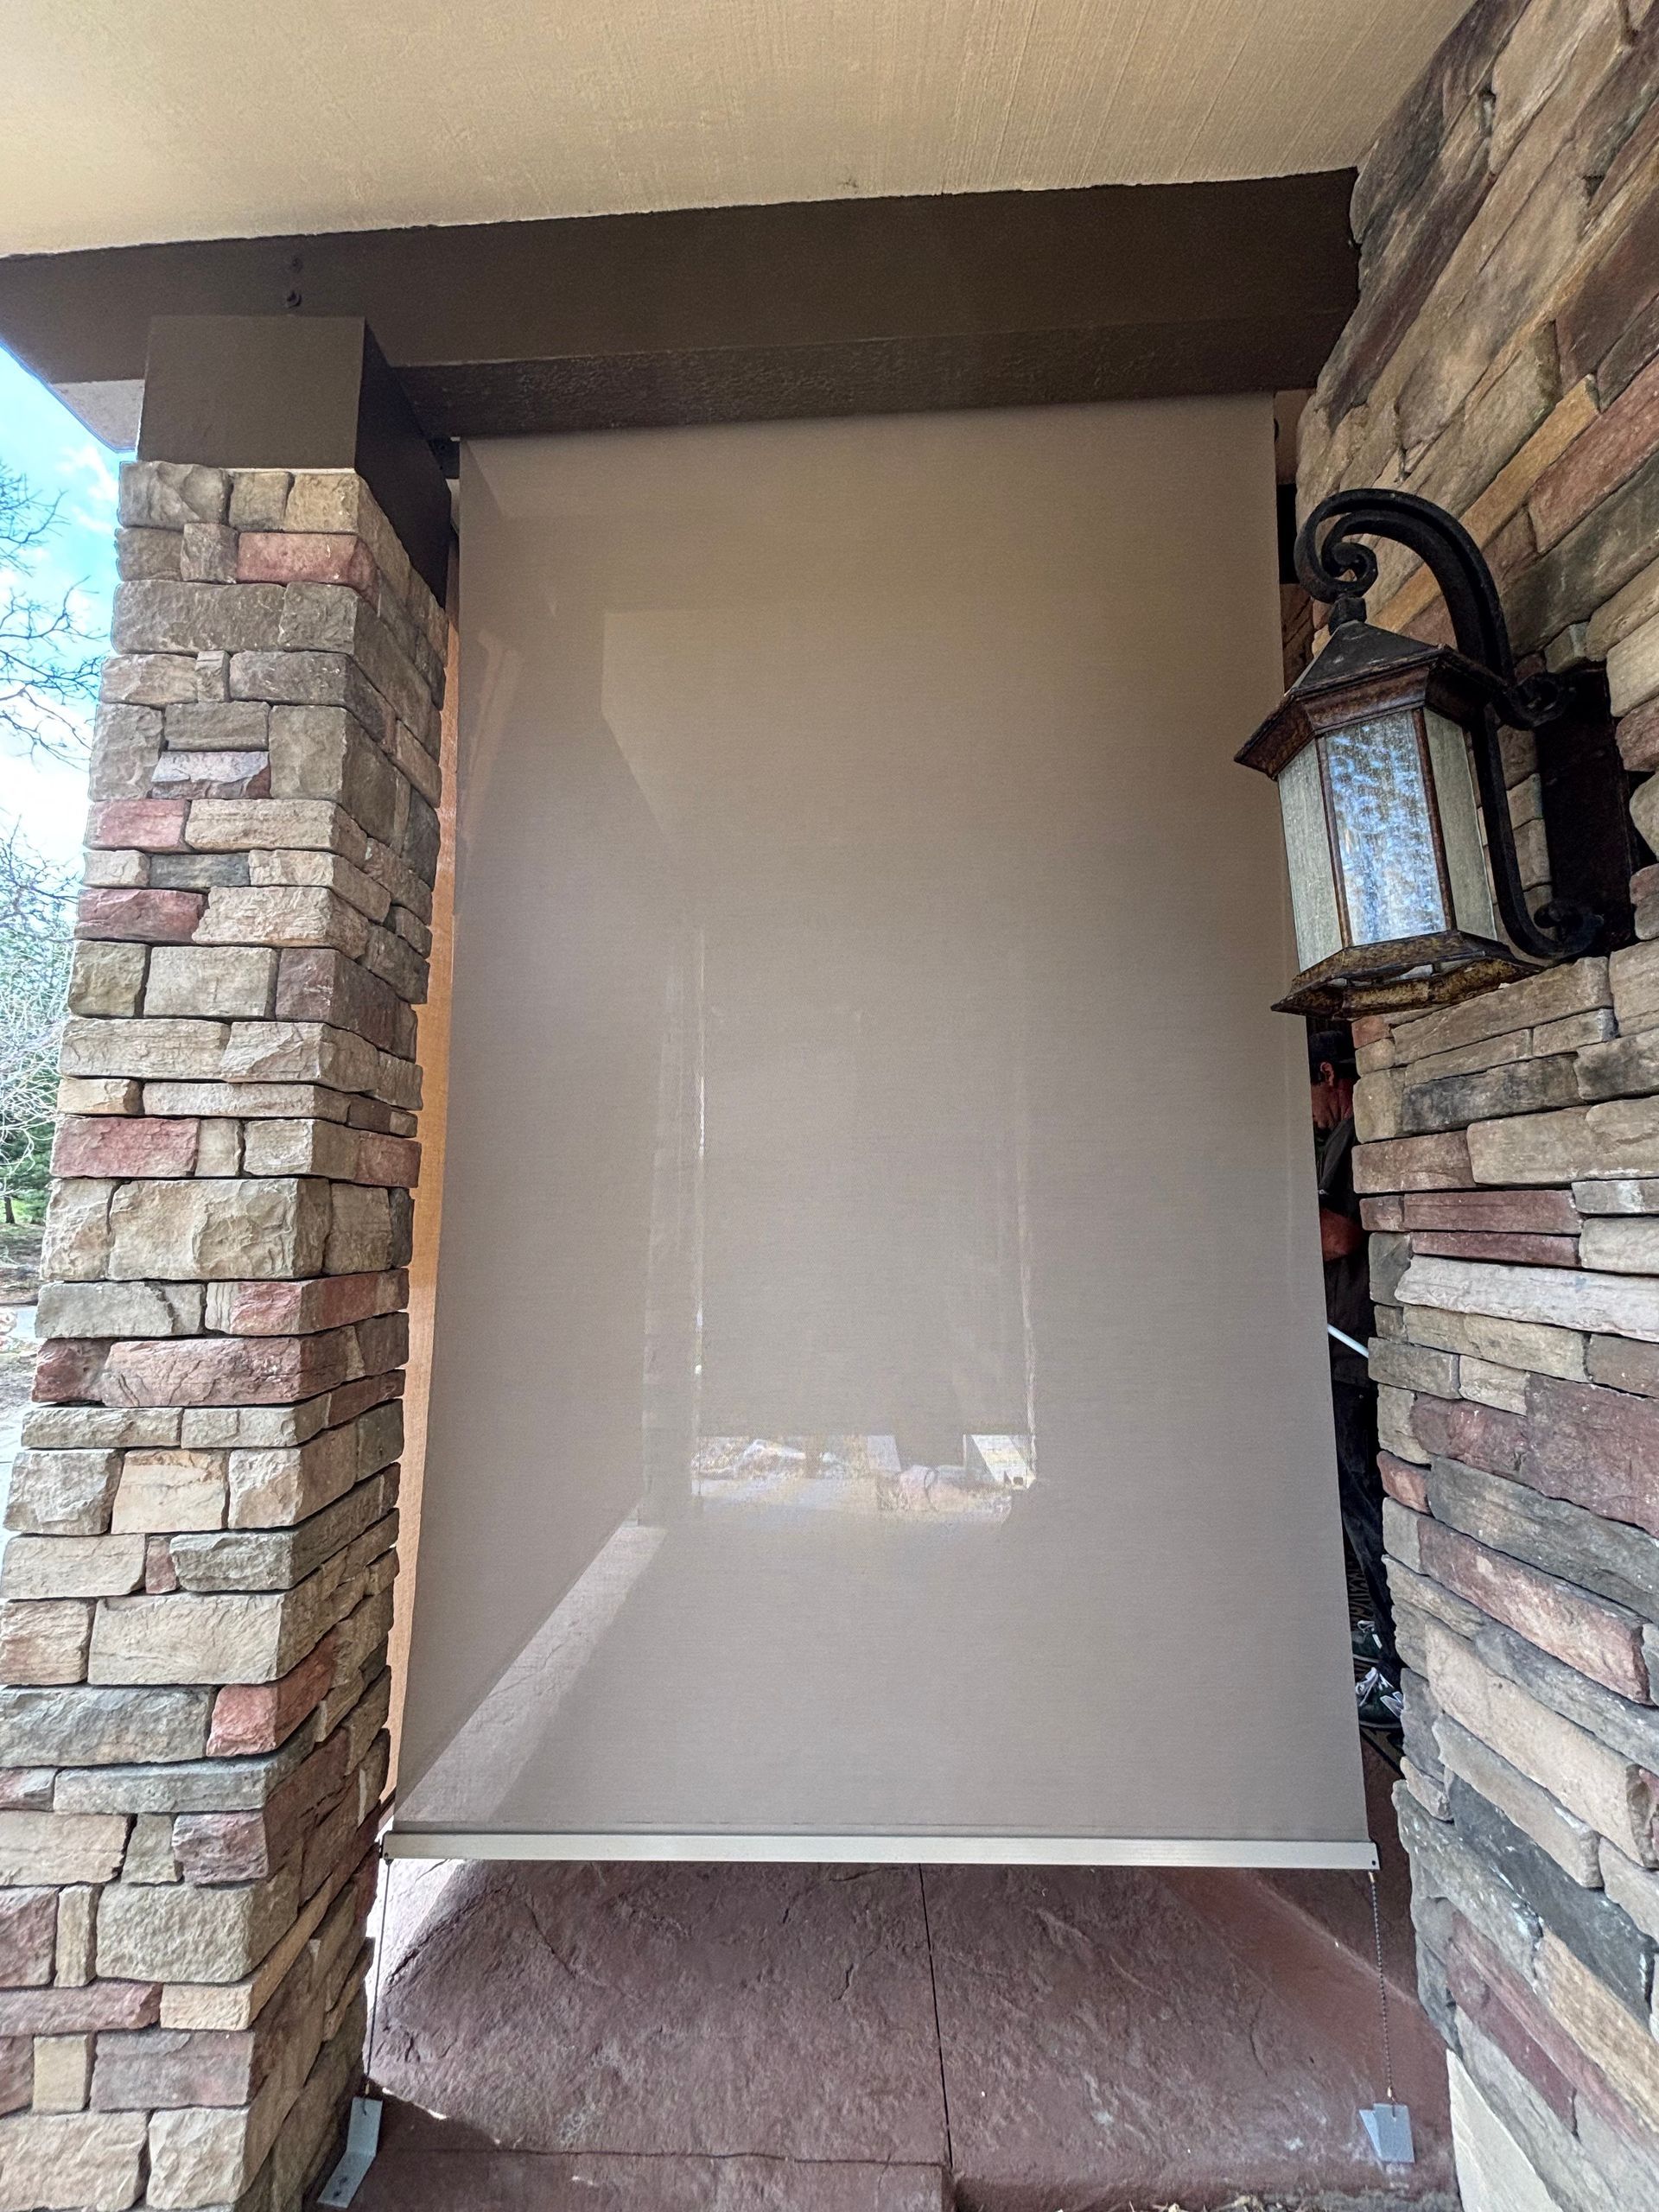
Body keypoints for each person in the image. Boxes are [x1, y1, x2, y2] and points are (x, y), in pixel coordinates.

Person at [1310, 1025, 1402, 1730]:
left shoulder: (1359, 1126)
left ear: (1327, 1072)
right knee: (1362, 1509)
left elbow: (1338, 1235)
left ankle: (1399, 1672)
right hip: (1348, 1349)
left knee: (1368, 1512)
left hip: (1355, 1352)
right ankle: (1391, 1636)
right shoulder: (1346, 1130)